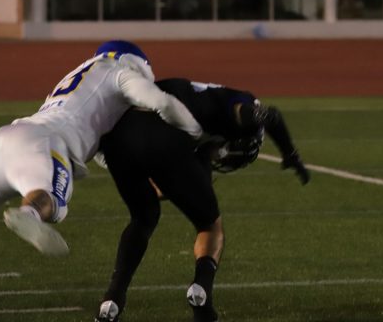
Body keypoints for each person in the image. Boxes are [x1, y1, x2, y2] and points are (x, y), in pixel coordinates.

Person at [0, 41, 202, 256]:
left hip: (8, 140)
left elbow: (104, 154)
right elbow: (162, 103)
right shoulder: (119, 73)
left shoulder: (82, 79)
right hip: (43, 146)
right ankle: (29, 213)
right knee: (55, 204)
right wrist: (195, 135)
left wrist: (150, 183)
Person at [94, 77, 310, 322]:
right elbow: (270, 116)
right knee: (209, 225)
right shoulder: (237, 107)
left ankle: (112, 299)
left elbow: (173, 179)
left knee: (144, 217)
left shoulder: (202, 107)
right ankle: (201, 292)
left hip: (118, 140)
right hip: (161, 135)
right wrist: (290, 154)